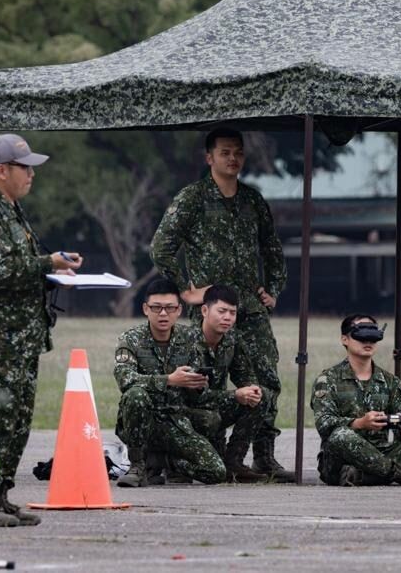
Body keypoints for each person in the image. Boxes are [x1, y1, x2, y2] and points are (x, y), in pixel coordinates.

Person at [151, 128, 291, 481]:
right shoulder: (193, 197)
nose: (233, 158)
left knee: (265, 381)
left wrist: (273, 289)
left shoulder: (252, 200)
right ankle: (205, 454)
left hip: (250, 309)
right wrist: (186, 289)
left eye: (238, 152)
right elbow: (161, 247)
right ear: (209, 157)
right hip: (211, 311)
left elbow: (272, 249)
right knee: (204, 382)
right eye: (225, 152)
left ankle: (260, 457)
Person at [0, 133, 83, 527]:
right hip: (0, 337)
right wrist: (49, 263)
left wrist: (53, 270)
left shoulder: (10, 208)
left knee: (17, 420)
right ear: (1, 170)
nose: (31, 174)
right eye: (24, 167)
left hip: (22, 336)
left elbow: (20, 266)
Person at [113, 278, 226, 487]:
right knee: (135, 395)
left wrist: (197, 385)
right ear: (146, 309)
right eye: (156, 308)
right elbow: (125, 379)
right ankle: (137, 466)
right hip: (143, 420)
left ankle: (167, 462)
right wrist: (169, 380)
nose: (163, 314)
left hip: (175, 419)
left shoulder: (190, 338)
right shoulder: (131, 339)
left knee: (215, 471)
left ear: (179, 310)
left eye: (169, 308)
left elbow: (198, 392)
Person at [310, 314, 401, 487]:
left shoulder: (390, 381)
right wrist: (359, 423)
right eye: (361, 336)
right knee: (340, 435)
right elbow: (324, 424)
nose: (368, 342)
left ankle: (362, 477)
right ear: (345, 339)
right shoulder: (328, 380)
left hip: (381, 452)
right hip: (340, 459)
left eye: (373, 337)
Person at [186, 284, 269, 482]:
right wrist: (235, 395)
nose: (228, 318)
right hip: (187, 412)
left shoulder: (232, 339)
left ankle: (234, 463)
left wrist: (252, 390)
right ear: (204, 311)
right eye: (221, 311)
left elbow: (245, 375)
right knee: (209, 419)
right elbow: (194, 396)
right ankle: (174, 461)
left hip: (214, 407)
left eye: (232, 313)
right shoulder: (185, 341)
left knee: (261, 397)